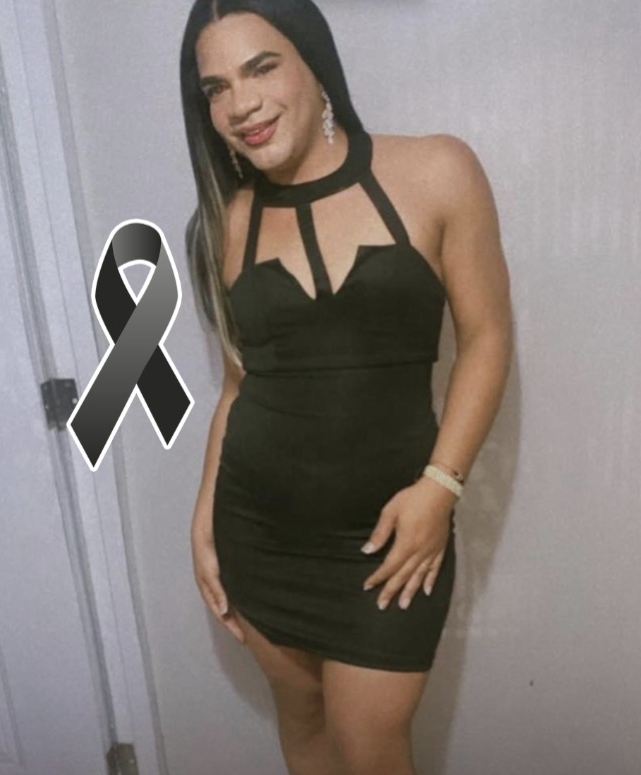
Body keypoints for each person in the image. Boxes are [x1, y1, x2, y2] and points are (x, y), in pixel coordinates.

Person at [182, 1, 513, 772]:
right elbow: (238, 383)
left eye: (261, 68)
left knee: (371, 747)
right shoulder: (222, 223)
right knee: (302, 723)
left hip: (388, 540)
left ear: (314, 62)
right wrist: (202, 515)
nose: (240, 104)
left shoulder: (436, 170)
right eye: (216, 88)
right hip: (256, 532)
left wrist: (439, 488)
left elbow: (487, 337)